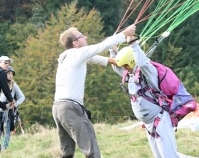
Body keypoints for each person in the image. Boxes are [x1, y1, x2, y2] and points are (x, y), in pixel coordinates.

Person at [109, 36, 199, 158]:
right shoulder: (131, 75)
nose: (125, 69)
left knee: (169, 156)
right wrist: (112, 50)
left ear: (132, 61)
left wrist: (134, 44)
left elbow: (143, 63)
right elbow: (116, 66)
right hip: (149, 123)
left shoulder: (149, 72)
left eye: (126, 66)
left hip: (160, 119)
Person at [53, 24, 136, 158]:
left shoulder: (66, 56)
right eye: (81, 36)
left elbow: (99, 59)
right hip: (71, 108)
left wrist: (118, 61)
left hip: (58, 108)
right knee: (92, 151)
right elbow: (101, 46)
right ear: (75, 43)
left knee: (66, 154)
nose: (85, 37)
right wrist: (124, 34)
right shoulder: (78, 53)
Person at [0, 66, 25, 149]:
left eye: (11, 74)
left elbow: (22, 97)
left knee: (7, 130)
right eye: (8, 73)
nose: (10, 75)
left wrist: (15, 104)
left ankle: (4, 148)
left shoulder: (14, 85)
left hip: (8, 111)